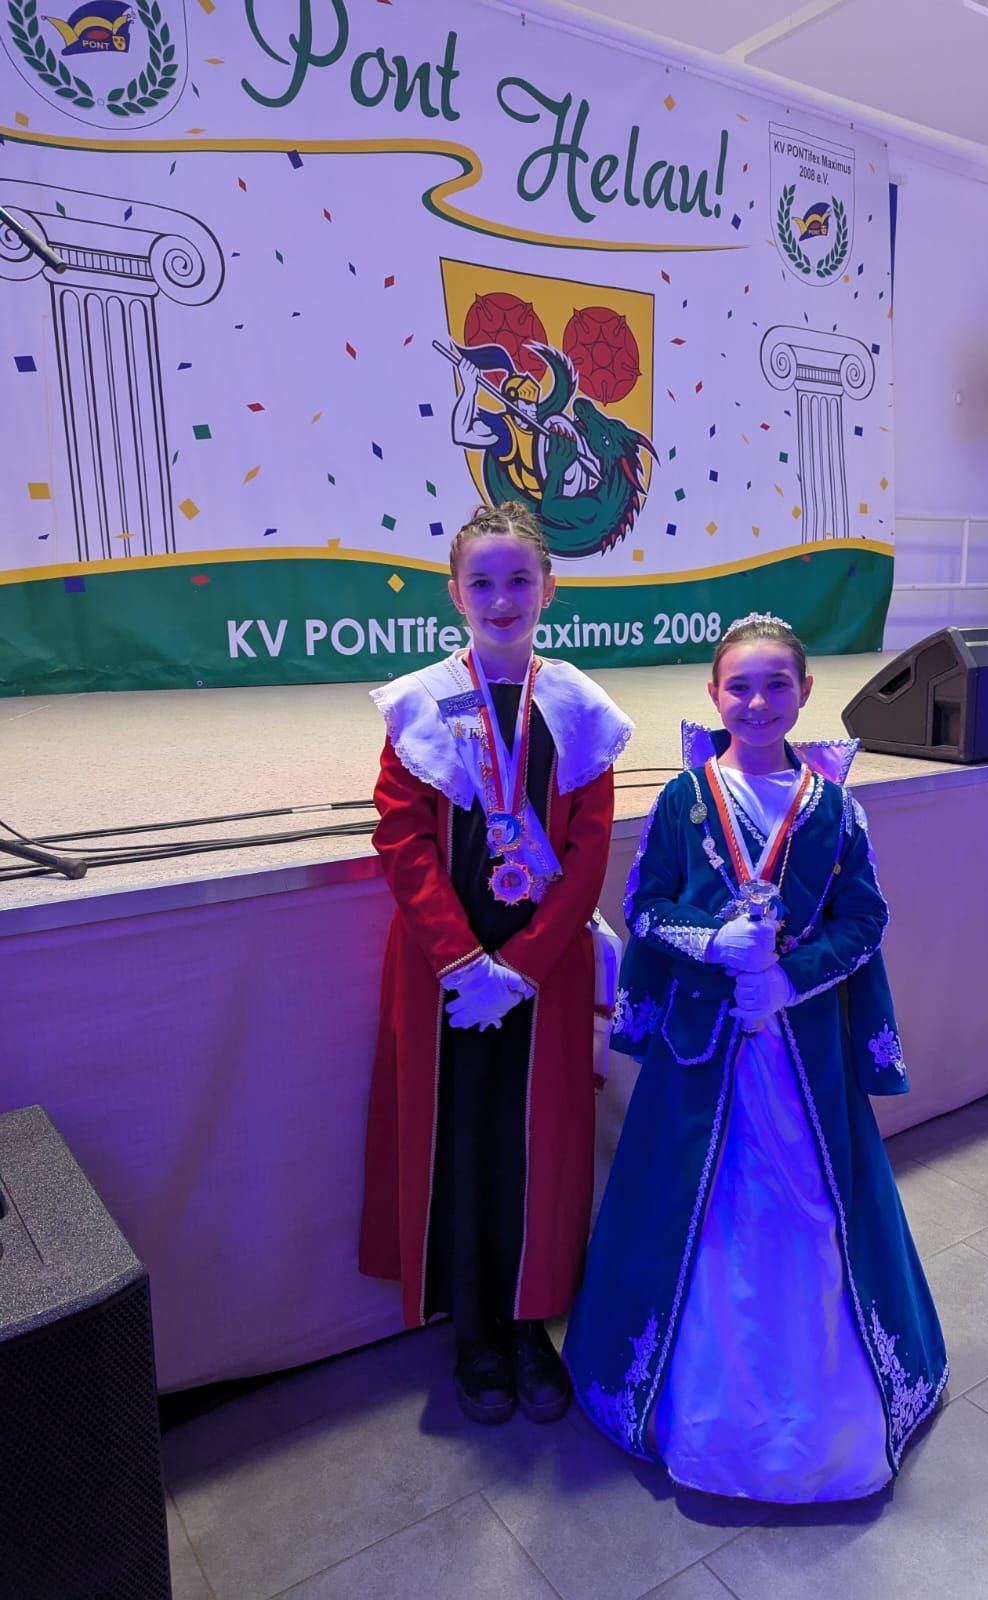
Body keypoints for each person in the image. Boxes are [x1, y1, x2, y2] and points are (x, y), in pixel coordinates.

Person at [564, 613, 947, 1501]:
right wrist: (711, 941)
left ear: (805, 693)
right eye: (739, 686)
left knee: (813, 1208)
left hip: (801, 1053)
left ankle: (827, 1400)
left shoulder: (834, 809)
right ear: (713, 694)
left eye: (777, 685)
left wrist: (787, 979)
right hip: (702, 1052)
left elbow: (866, 918)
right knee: (694, 1203)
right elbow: (646, 904)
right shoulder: (684, 798)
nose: (757, 702)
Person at [359, 501, 632, 1426]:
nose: (502, 597)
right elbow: (401, 840)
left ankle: (527, 1323)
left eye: (520, 579)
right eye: (483, 581)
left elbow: (588, 851)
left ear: (549, 588)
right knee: (462, 1138)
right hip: (445, 970)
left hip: (541, 968)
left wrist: (521, 966)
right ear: (455, 593)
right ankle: (474, 1327)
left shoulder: (579, 708)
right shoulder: (420, 702)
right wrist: (463, 961)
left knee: (538, 1143)